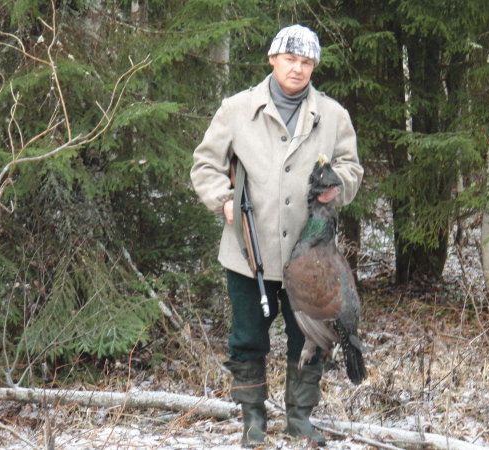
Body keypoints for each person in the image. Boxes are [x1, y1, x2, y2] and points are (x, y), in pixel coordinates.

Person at [190, 24, 363, 447]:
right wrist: (224, 201)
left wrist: (337, 185)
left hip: (312, 259)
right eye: (290, 59)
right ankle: (253, 422)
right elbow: (205, 165)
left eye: (306, 62)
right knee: (248, 339)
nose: (297, 69)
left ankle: (300, 420)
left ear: (314, 66)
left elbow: (352, 169)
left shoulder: (333, 115)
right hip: (249, 250)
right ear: (272, 59)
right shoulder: (236, 109)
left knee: (309, 340)